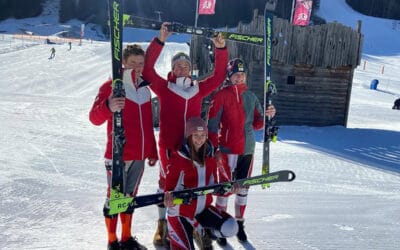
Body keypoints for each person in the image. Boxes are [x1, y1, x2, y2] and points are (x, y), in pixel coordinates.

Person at [142, 22, 228, 247]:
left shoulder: (198, 88)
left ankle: (194, 225)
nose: (182, 68)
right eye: (178, 66)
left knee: (195, 184)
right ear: (172, 69)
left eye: (185, 65)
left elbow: (219, 77)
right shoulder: (165, 88)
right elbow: (147, 71)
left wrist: (220, 49)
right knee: (167, 185)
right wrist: (160, 40)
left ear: (190, 69)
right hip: (170, 147)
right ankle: (163, 223)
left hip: (194, 145)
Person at [89, 44, 158, 250]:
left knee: (129, 197)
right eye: (132, 63)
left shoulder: (145, 90)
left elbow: (147, 125)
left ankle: (126, 238)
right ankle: (112, 240)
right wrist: (108, 106)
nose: (137, 67)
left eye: (140, 63)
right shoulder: (112, 86)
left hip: (139, 155)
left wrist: (152, 151)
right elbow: (94, 118)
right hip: (118, 154)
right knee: (115, 197)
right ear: (124, 63)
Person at [207, 58, 277, 245]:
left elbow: (257, 124)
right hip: (227, 149)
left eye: (242, 74)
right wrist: (215, 149)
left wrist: (267, 115)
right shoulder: (220, 95)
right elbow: (212, 126)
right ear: (229, 77)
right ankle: (221, 225)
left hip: (247, 149)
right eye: (236, 74)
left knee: (243, 189)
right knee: (225, 190)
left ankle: (239, 225)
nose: (239, 77)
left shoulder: (251, 97)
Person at [163, 117, 238, 250]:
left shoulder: (210, 157)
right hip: (180, 214)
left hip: (203, 209)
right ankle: (178, 232)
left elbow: (214, 186)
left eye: (203, 135)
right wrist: (169, 199)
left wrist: (230, 189)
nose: (200, 139)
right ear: (189, 136)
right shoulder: (178, 157)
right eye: (196, 135)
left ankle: (205, 232)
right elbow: (168, 188)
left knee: (231, 227)